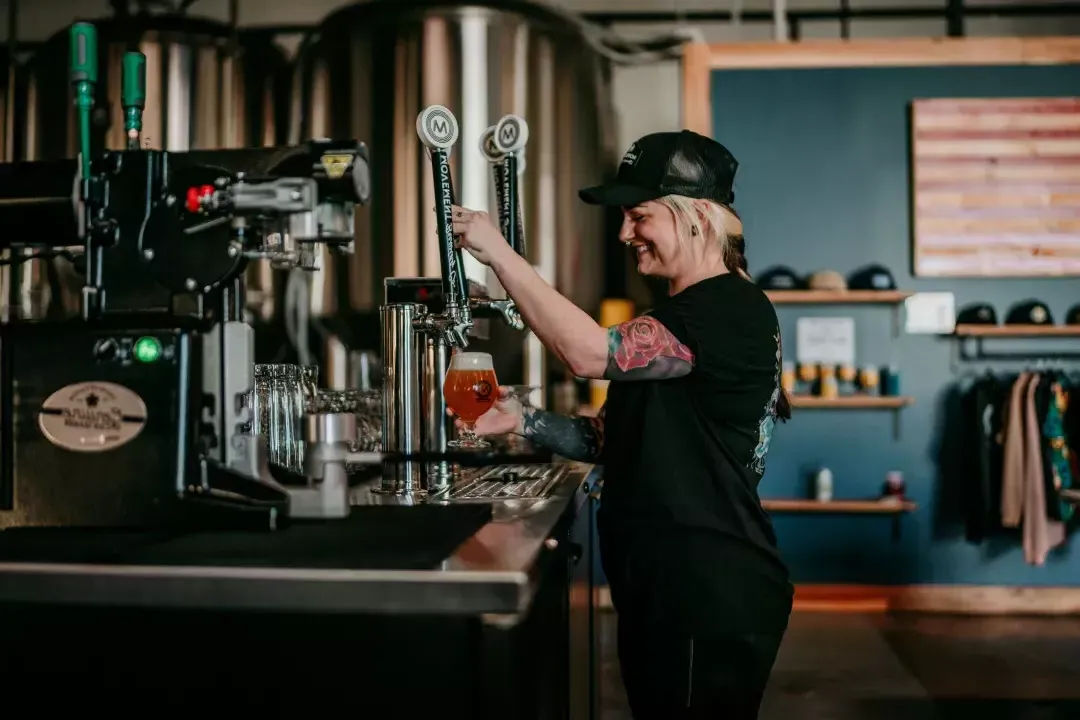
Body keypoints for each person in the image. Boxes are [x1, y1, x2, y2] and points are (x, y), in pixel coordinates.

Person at [448, 129, 794, 719]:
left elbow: (586, 352)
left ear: (698, 217)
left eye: (639, 216)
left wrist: (500, 254)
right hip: (668, 585)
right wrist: (524, 420)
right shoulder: (688, 315)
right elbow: (606, 440)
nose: (625, 234)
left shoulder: (726, 311)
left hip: (706, 589)